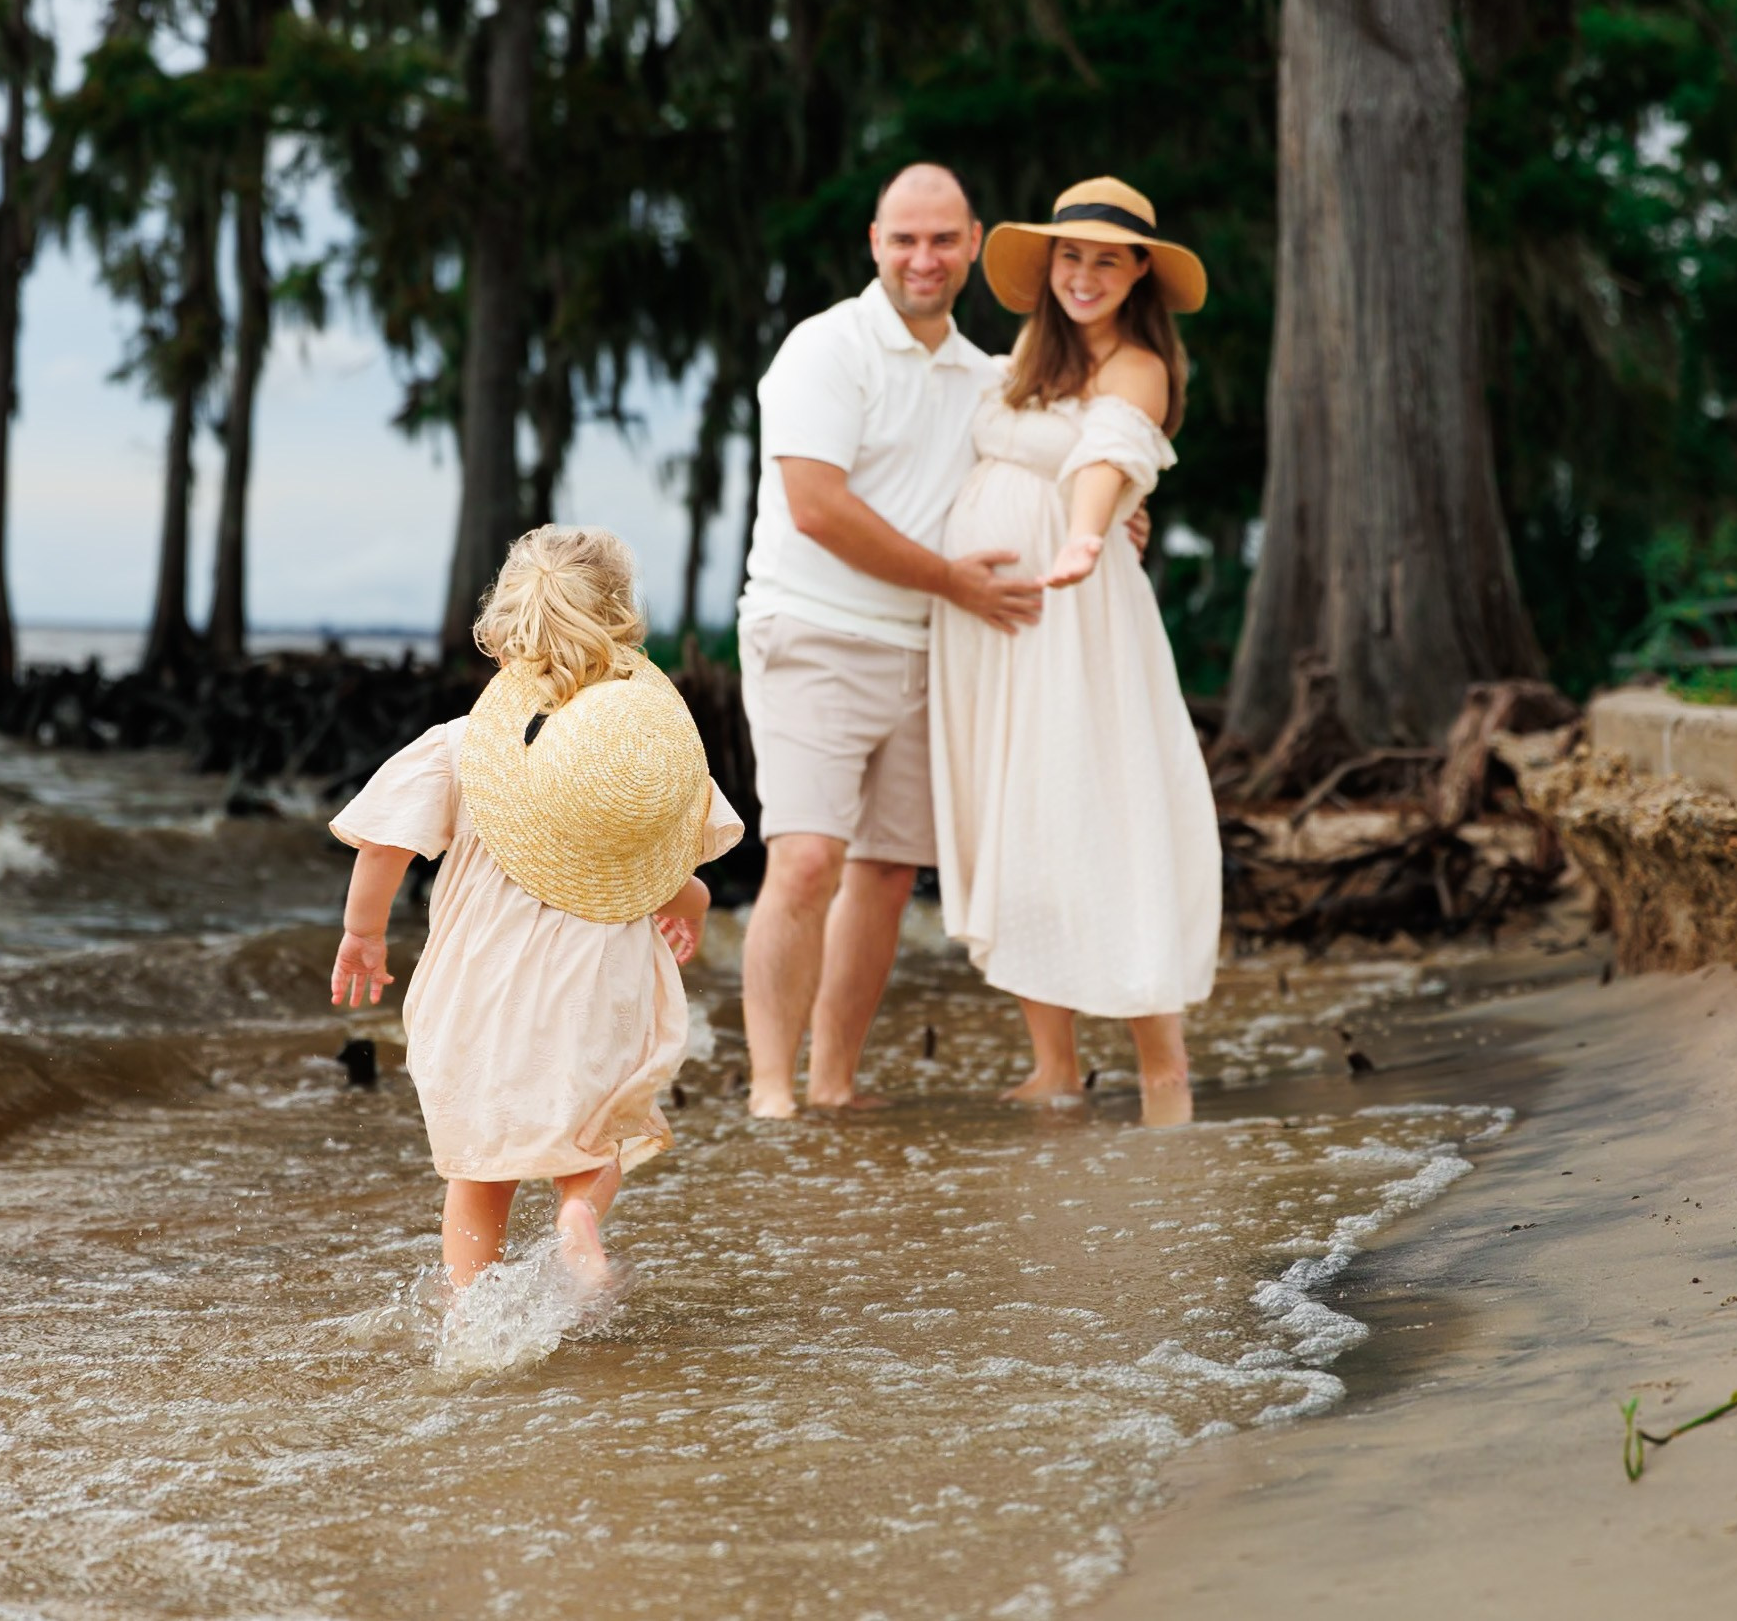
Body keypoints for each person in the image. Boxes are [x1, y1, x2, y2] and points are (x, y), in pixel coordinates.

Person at [328, 526, 743, 1287]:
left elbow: (384, 844)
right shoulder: (644, 757)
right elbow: (666, 869)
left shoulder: (459, 747)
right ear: (624, 622)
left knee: (480, 1168)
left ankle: (468, 1312)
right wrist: (698, 900)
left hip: (478, 992)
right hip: (593, 992)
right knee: (594, 1135)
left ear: (502, 629)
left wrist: (364, 933)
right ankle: (578, 1212)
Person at [734, 164, 1042, 1119]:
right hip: (812, 631)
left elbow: (1053, 469)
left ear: (974, 243)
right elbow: (816, 508)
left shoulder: (987, 378)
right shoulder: (825, 348)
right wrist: (953, 580)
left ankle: (833, 1083)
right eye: (904, 239)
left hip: (926, 648)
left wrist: (1116, 519)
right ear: (874, 242)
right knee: (806, 859)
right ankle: (771, 1092)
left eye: (943, 239)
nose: (924, 257)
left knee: (886, 872)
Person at [928, 176, 1223, 1126]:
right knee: (1017, 816)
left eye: (1106, 259)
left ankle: (1163, 1068)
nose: (1084, 275)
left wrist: (1089, 533)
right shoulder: (1028, 354)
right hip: (991, 627)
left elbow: (1107, 457)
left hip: (1076, 618)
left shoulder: (1138, 366)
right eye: (1070, 256)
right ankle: (1053, 1062)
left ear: (1139, 272)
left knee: (1103, 809)